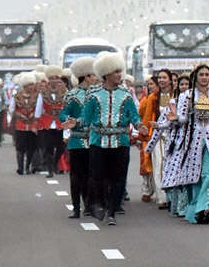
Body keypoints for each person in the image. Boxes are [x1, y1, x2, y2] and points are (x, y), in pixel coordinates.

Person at [156, 63, 209, 224]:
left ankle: (205, 208)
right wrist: (175, 118)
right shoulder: (187, 96)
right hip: (192, 143)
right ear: (195, 77)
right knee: (196, 177)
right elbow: (183, 119)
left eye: (207, 75)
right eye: (201, 75)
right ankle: (196, 210)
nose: (204, 78)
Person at [67, 52, 141, 226]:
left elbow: (133, 115)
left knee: (118, 178)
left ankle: (112, 211)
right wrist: (76, 122)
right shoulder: (94, 94)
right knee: (97, 176)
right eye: (116, 72)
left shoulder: (126, 94)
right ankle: (99, 202)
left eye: (120, 71)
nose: (119, 75)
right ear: (106, 74)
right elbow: (86, 117)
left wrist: (139, 125)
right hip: (98, 142)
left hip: (120, 141)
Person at [60, 56, 97, 218]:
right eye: (94, 75)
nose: (96, 78)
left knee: (93, 175)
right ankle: (76, 207)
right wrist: (68, 120)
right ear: (87, 76)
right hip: (77, 140)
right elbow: (63, 113)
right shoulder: (72, 95)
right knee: (76, 176)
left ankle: (90, 204)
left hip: (95, 139)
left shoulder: (99, 94)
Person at [137, 70, 175, 206]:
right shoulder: (152, 98)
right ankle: (162, 198)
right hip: (157, 136)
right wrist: (143, 136)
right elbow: (147, 117)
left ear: (170, 80)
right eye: (160, 77)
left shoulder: (177, 96)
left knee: (173, 166)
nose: (162, 80)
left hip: (175, 135)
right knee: (159, 166)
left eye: (165, 77)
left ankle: (174, 197)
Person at [36, 65, 68, 177]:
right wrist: (37, 121)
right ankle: (50, 169)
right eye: (51, 78)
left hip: (60, 122)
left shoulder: (65, 92)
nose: (54, 81)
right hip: (47, 122)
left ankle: (55, 163)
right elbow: (39, 107)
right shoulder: (43, 92)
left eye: (56, 78)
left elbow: (68, 106)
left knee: (61, 147)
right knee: (48, 147)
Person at [11, 72, 39, 175]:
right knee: (20, 147)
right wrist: (20, 115)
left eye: (33, 84)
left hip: (32, 125)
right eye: (30, 85)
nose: (32, 87)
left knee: (31, 147)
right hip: (21, 125)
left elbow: (40, 108)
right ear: (25, 86)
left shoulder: (37, 96)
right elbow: (12, 109)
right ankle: (20, 167)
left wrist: (34, 114)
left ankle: (28, 166)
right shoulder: (17, 96)